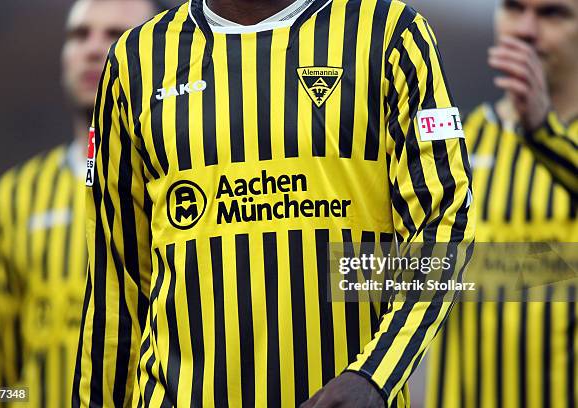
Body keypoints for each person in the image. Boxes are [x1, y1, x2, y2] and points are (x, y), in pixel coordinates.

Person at [73, 0, 475, 407]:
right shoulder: (134, 60)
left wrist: (375, 375)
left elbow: (446, 222)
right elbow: (114, 280)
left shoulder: (391, 34)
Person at [0, 1, 160, 406]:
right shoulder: (16, 195)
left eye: (115, 35)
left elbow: (336, 258)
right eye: (79, 35)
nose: (93, 49)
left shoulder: (182, 185)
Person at [426, 0, 578, 406]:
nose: (526, 29)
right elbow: (383, 271)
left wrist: (543, 132)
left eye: (552, 14)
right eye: (514, 9)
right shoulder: (461, 141)